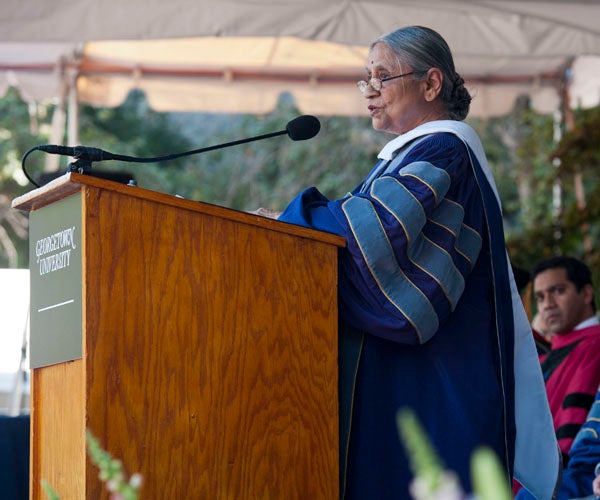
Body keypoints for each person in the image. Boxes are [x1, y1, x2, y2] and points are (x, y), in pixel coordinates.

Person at [264, 26, 560, 498]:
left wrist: (292, 219)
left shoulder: (445, 150)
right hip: (413, 382)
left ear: (431, 84)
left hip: (440, 383)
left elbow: (376, 236)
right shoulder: (414, 153)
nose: (370, 89)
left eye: (383, 75)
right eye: (367, 78)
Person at [531, 256, 600, 464]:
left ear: (587, 293)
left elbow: (572, 436)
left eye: (558, 291)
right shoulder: (544, 358)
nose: (547, 305)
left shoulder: (594, 345)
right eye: (540, 298)